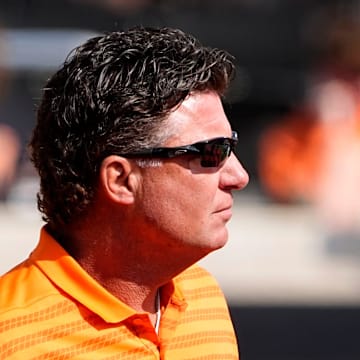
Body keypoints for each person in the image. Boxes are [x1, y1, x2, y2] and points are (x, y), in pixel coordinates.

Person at [0, 26, 249, 359]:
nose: (239, 176)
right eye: (212, 152)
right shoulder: (12, 336)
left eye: (230, 146)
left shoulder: (202, 296)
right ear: (120, 180)